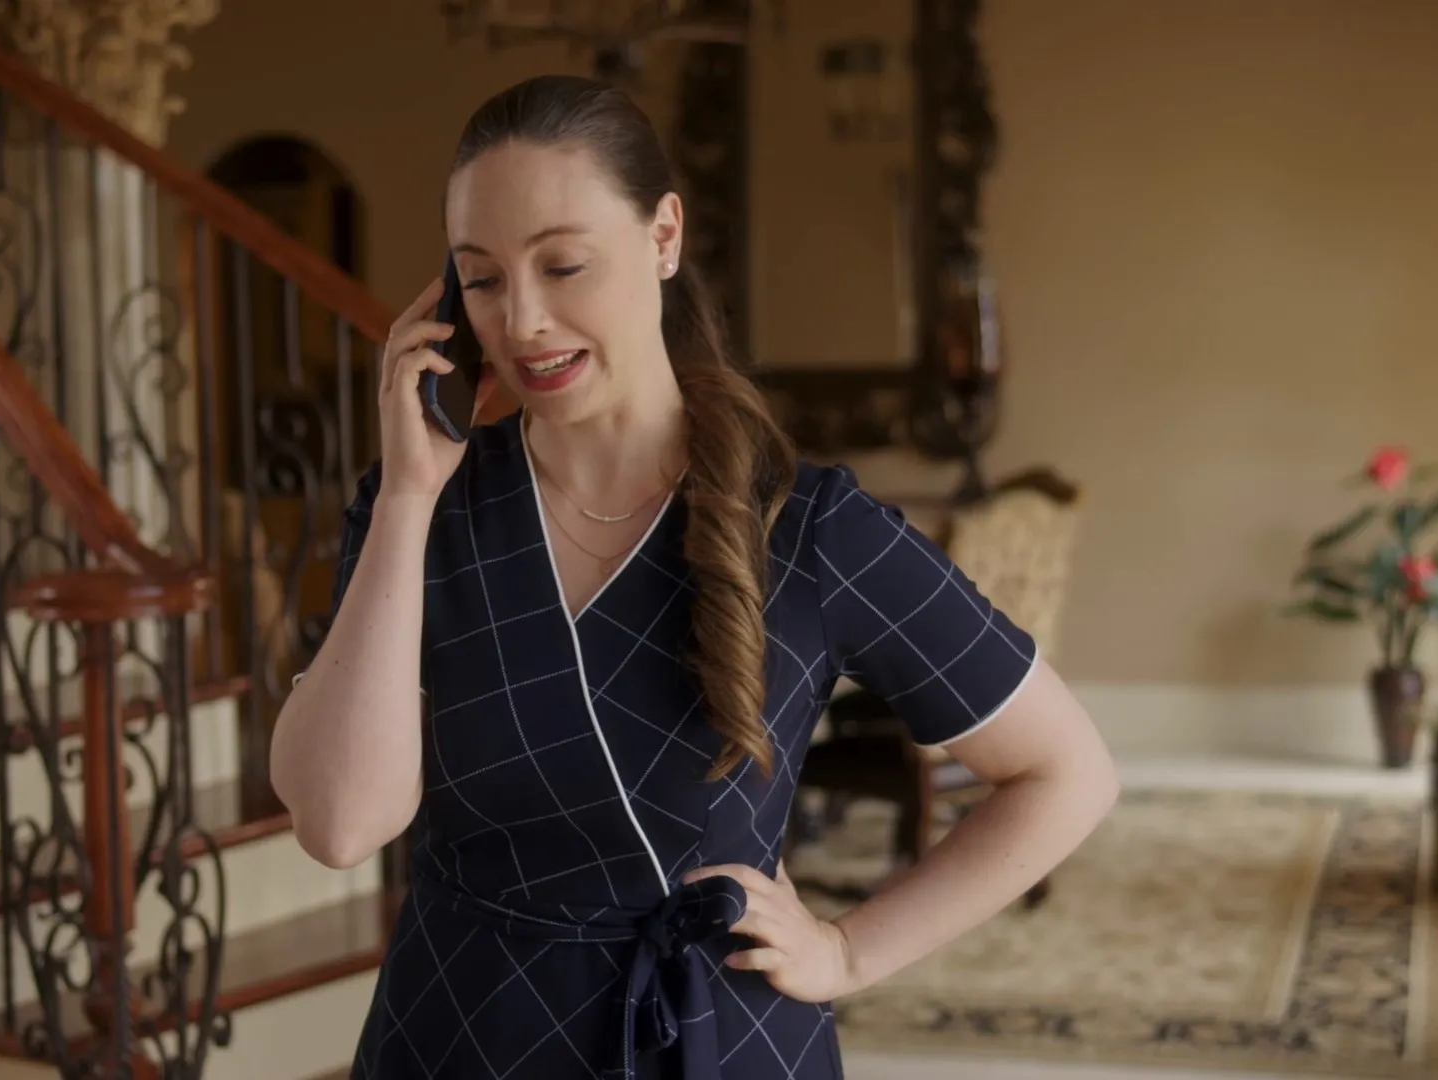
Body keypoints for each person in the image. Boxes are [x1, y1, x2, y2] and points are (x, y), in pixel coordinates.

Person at [271, 73, 1118, 1080]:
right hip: (460, 1031)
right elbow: (340, 826)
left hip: (715, 1041)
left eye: (564, 264)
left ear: (664, 236)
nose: (525, 319)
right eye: (482, 279)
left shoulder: (812, 526)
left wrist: (850, 950)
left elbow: (1067, 773)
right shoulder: (421, 509)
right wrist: (409, 498)